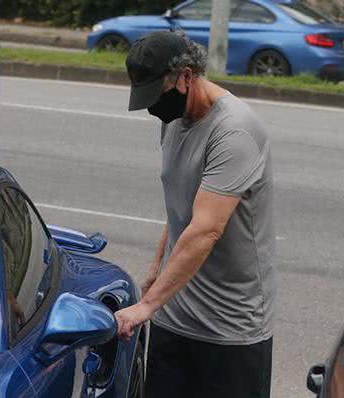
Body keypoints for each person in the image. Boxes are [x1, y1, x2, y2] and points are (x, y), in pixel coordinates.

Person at [114, 30, 276, 398]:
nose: (154, 107)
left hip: (230, 329)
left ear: (187, 76)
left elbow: (205, 229)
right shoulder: (172, 121)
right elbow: (181, 208)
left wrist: (145, 307)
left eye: (157, 94)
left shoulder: (234, 131)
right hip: (174, 314)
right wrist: (157, 271)